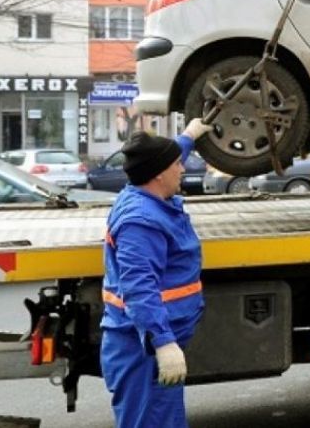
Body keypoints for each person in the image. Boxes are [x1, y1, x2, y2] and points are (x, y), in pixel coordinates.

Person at [100, 119, 212, 428]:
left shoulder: (142, 193)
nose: (183, 169)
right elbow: (139, 289)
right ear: (160, 173)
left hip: (143, 345)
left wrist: (188, 136)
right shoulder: (140, 222)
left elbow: (161, 158)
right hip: (142, 349)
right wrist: (162, 343)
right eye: (178, 164)